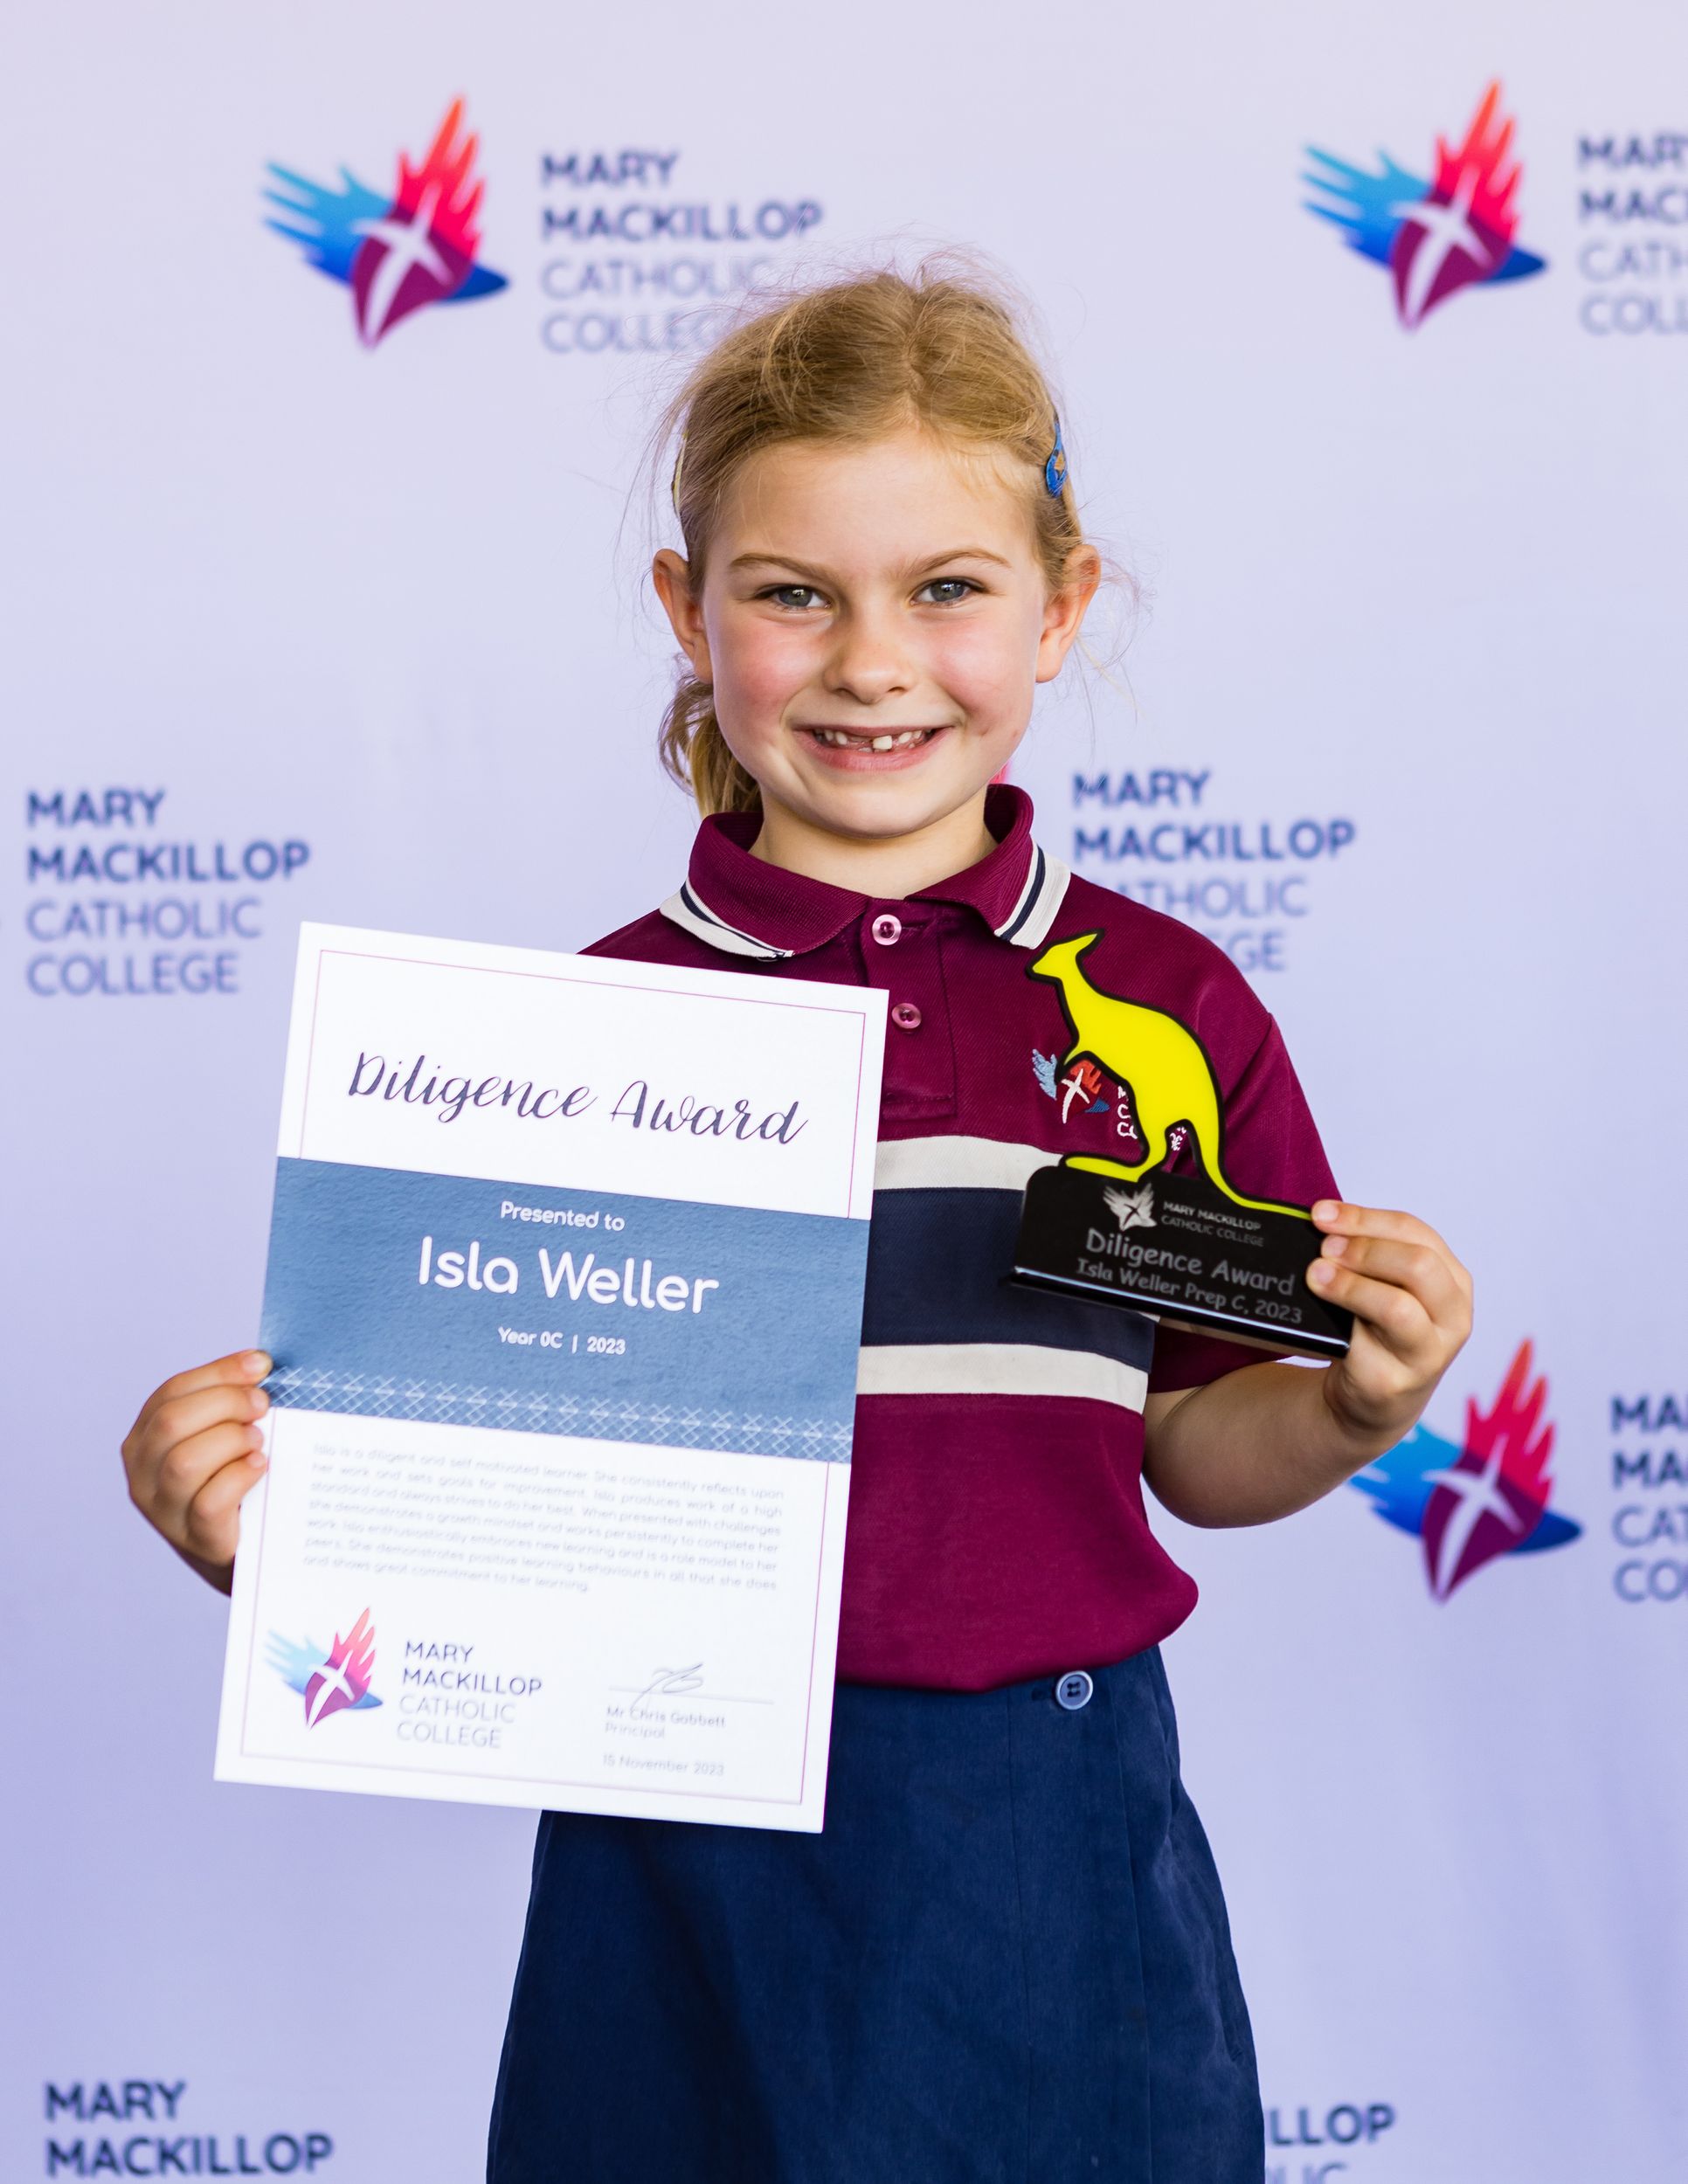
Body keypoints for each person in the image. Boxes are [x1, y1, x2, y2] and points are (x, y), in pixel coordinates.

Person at [121, 266, 1471, 2183]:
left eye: (947, 588)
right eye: (794, 594)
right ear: (691, 612)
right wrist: (271, 1529)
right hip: (671, 1838)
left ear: (1059, 606)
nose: (871, 661)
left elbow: (1192, 1440)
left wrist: (1347, 1405)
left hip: (1049, 1828)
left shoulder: (1169, 1008)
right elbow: (485, 1528)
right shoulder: (574, 1040)